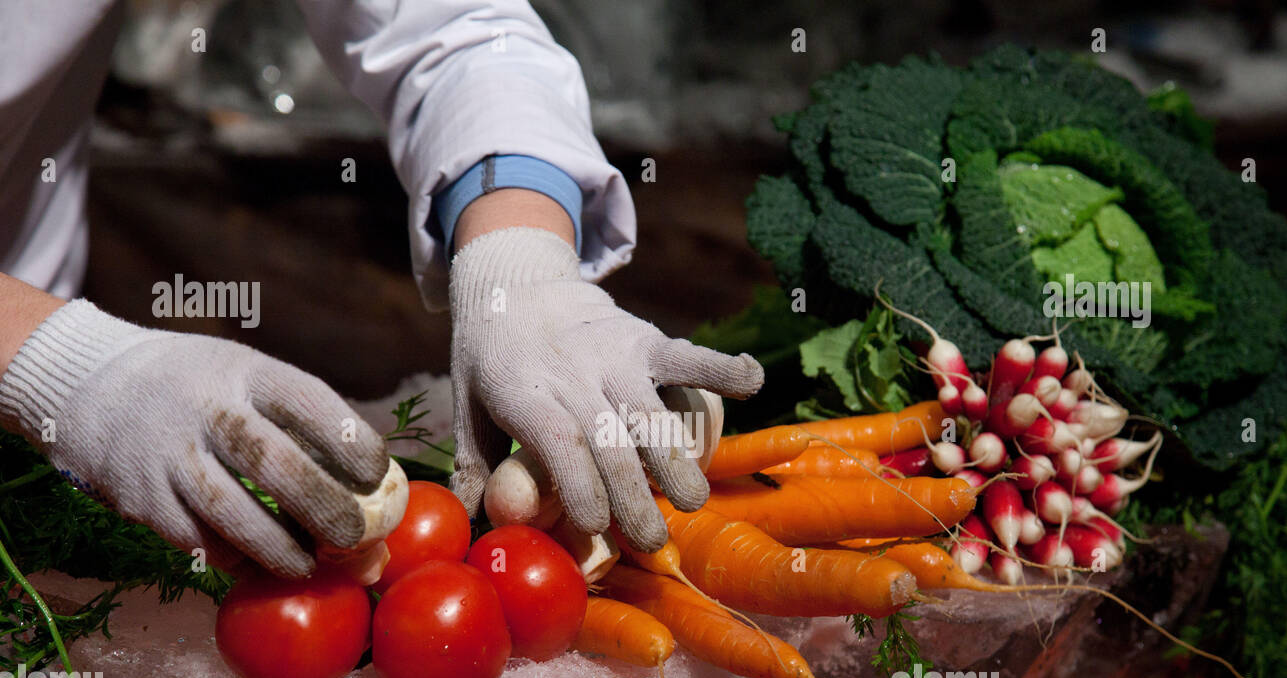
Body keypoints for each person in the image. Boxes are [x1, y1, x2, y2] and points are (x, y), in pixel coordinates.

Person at [0, 1, 763, 577]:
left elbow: (451, 24)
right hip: (56, 394)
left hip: (46, 475)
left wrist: (519, 261)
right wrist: (66, 366)